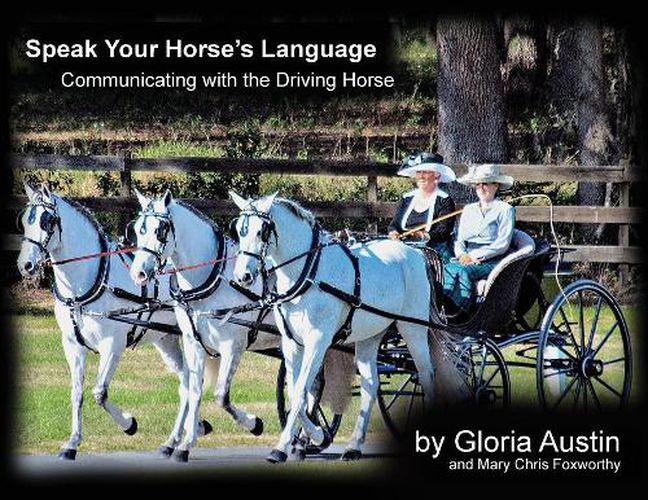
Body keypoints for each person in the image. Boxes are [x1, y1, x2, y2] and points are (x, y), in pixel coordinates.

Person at [442, 163, 516, 316]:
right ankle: (445, 307)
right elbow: (459, 239)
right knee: (446, 268)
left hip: (493, 260)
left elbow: (502, 244)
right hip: (466, 257)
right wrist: (462, 255)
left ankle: (463, 312)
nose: (481, 188)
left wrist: (475, 257)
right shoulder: (469, 210)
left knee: (463, 272)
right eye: (477, 185)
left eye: (486, 184)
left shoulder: (505, 210)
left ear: (496, 185)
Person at [388, 152, 457, 262]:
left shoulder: (444, 200)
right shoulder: (407, 198)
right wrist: (394, 233)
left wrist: (421, 235)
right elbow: (394, 224)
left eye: (426, 172)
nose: (421, 176)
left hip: (433, 250)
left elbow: (443, 232)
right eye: (419, 172)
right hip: (405, 247)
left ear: (437, 175)